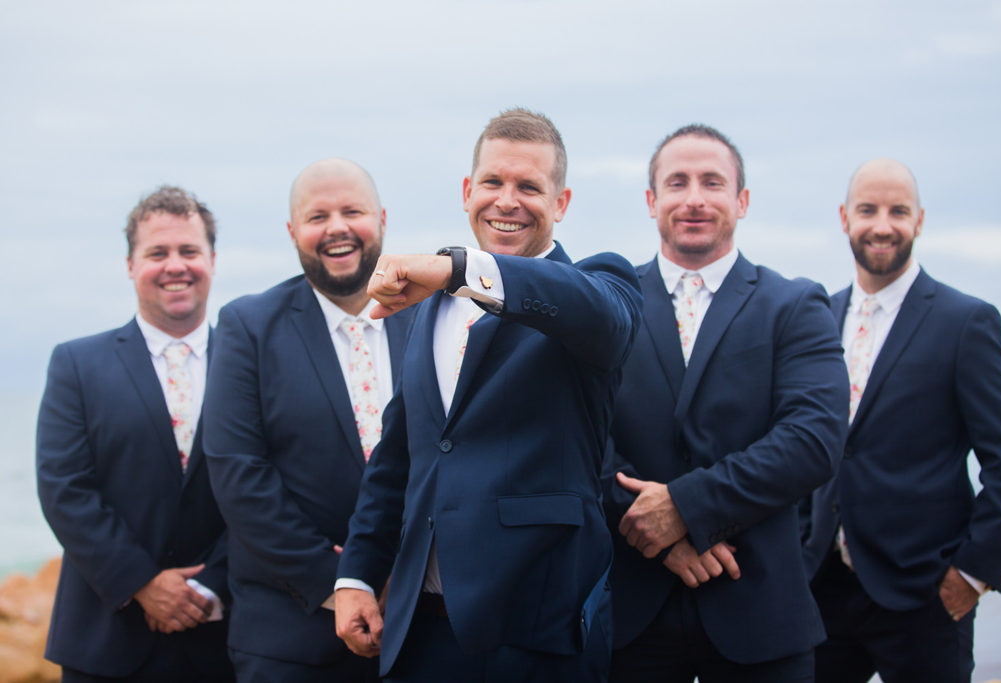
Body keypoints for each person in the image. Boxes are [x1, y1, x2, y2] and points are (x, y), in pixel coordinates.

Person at [332, 108, 643, 682]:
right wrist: (356, 576)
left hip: (535, 632)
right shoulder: (427, 309)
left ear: (562, 202)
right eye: (493, 183)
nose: (508, 200)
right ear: (467, 191)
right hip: (418, 630)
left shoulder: (601, 286)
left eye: (530, 186)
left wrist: (458, 267)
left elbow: (600, 318)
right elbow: (402, 454)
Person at [602, 124, 849, 682]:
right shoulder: (607, 304)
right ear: (651, 201)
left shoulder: (794, 305)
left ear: (740, 201)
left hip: (760, 612)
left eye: (712, 183)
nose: (694, 198)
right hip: (629, 620)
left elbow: (813, 440)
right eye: (677, 182)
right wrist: (654, 535)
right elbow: (579, 436)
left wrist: (686, 508)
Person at [802, 158, 1001, 683]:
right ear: (844, 218)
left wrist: (972, 575)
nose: (883, 224)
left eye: (898, 211)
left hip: (925, 593)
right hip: (820, 589)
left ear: (919, 220)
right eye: (868, 210)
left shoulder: (967, 322)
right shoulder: (816, 317)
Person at [203, 159, 414, 682]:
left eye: (353, 211)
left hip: (420, 620)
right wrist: (342, 583)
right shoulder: (247, 327)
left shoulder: (430, 317)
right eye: (317, 216)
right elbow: (239, 477)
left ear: (382, 218)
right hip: (290, 636)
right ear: (294, 231)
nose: (337, 227)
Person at [36, 186, 232, 681]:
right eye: (157, 253)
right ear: (130, 264)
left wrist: (211, 586)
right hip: (105, 638)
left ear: (212, 258)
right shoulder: (77, 364)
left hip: (224, 639)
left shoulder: (250, 363)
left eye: (189, 251)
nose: (175, 266)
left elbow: (268, 482)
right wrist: (142, 582)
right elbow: (64, 488)